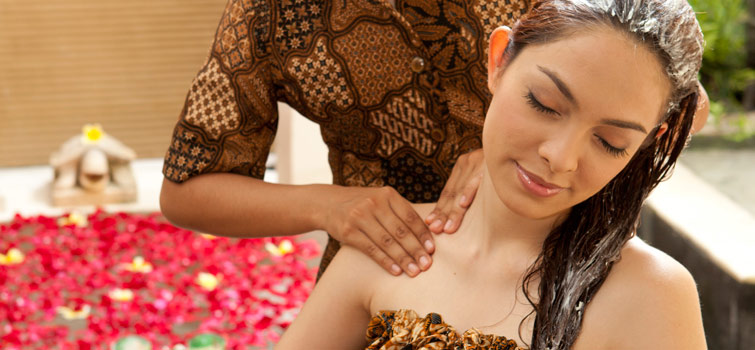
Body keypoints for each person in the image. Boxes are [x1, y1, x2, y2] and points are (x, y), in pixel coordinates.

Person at [275, 0, 708, 349]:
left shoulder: (652, 295)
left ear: (649, 141)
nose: (560, 158)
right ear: (499, 61)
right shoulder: (386, 245)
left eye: (610, 141)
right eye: (544, 104)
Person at [159, 0, 535, 278]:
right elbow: (186, 189)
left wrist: (512, 149)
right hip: (379, 273)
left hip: (543, 249)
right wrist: (328, 206)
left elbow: (593, 81)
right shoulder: (264, 12)